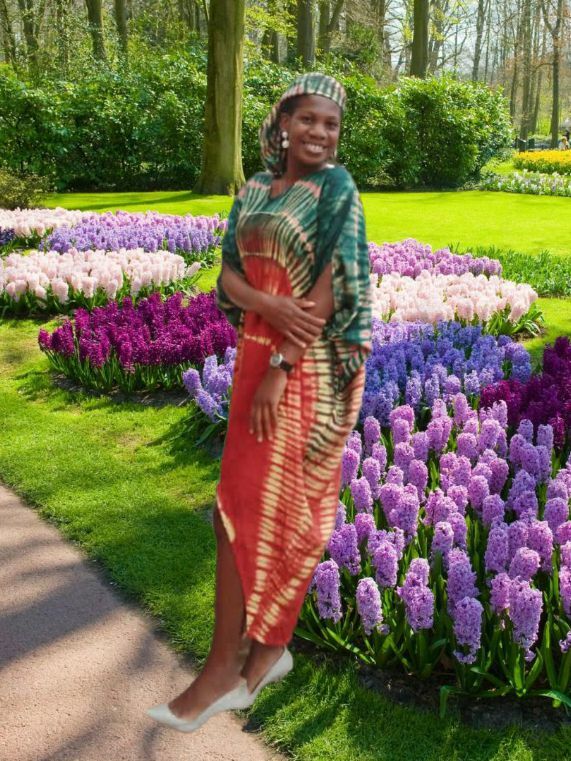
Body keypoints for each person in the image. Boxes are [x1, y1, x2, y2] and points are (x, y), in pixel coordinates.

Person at [147, 73, 372, 732]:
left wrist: (281, 365)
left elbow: (334, 285)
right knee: (236, 509)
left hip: (304, 368)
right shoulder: (251, 191)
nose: (319, 133)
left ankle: (234, 663)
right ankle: (258, 654)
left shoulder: (337, 190)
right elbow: (227, 276)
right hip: (254, 356)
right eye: (308, 119)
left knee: (268, 506)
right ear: (283, 123)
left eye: (330, 124)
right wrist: (266, 304)